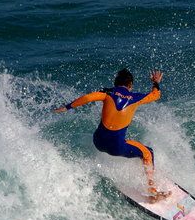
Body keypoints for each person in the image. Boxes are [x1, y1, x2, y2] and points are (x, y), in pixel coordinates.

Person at [53, 69, 171, 203]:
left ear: (115, 84)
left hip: (98, 142)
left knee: (111, 132)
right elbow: (156, 95)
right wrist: (156, 83)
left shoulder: (107, 93)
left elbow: (87, 98)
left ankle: (141, 178)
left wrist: (67, 107)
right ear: (130, 85)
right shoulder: (136, 98)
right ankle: (152, 193)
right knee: (148, 152)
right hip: (116, 147)